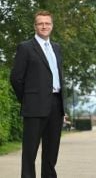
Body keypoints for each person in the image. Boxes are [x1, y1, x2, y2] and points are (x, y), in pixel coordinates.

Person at [10, 10, 64, 178]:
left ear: (52, 26)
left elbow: (58, 76)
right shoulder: (25, 47)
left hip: (56, 104)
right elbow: (16, 78)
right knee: (30, 153)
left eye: (47, 23)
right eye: (40, 23)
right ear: (35, 26)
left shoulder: (56, 48)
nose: (44, 26)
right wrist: (27, 99)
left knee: (51, 153)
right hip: (34, 107)